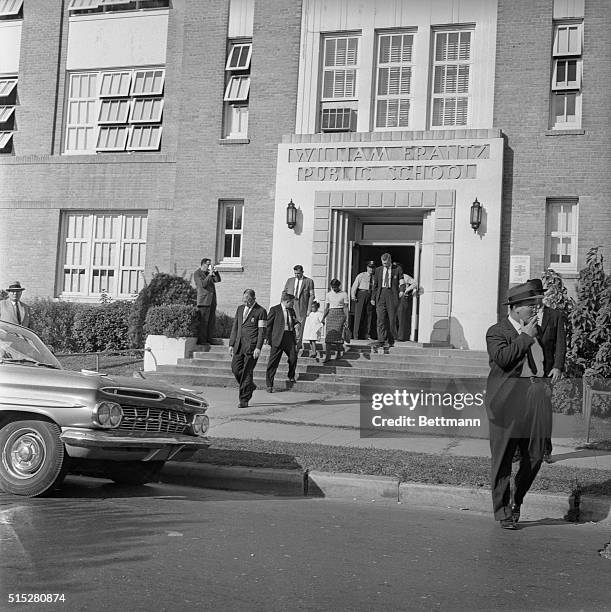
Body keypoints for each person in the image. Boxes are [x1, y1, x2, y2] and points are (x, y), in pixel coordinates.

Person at [485, 279, 548, 529]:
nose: (535, 309)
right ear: (515, 308)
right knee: (502, 459)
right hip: (507, 403)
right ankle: (503, 513)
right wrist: (525, 337)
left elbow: (540, 360)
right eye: (531, 305)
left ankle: (516, 500)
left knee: (536, 455)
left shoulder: (535, 331)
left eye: (537, 304)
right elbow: (503, 358)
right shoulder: (497, 331)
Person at [530, 278, 567, 462]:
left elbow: (561, 344)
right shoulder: (524, 315)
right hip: (527, 372)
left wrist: (558, 367)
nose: (534, 299)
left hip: (546, 372)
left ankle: (546, 450)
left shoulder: (555, 315)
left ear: (542, 296)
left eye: (536, 295)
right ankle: (521, 451)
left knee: (544, 411)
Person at [228, 289, 267, 408]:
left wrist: (258, 348)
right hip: (239, 345)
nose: (245, 303)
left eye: (247, 301)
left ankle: (244, 399)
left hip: (251, 347)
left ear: (252, 299)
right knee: (235, 369)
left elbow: (262, 331)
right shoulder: (240, 309)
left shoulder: (261, 311)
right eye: (244, 300)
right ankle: (250, 386)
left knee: (246, 372)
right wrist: (231, 344)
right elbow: (235, 326)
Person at [371, 253, 406, 349]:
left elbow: (402, 281)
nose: (384, 265)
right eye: (383, 263)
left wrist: (402, 290)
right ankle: (381, 340)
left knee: (391, 319)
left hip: (392, 295)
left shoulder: (397, 269)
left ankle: (391, 340)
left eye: (386, 263)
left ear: (390, 261)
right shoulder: (378, 270)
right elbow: (375, 286)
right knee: (380, 319)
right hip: (381, 294)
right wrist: (373, 298)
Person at [265, 292, 299, 392]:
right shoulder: (275, 309)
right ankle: (269, 385)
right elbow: (269, 324)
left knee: (293, 357)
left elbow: (294, 320)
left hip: (289, 337)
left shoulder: (291, 310)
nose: (293, 305)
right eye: (292, 303)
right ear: (287, 301)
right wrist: (267, 337)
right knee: (273, 362)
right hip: (278, 338)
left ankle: (291, 376)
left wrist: (297, 324)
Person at [283, 265, 315, 347]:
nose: (297, 275)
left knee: (300, 326)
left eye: (298, 273)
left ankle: (298, 344)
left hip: (301, 306)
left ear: (302, 272)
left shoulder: (309, 281)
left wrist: (309, 309)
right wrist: (282, 304)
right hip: (290, 305)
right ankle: (289, 343)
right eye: (295, 273)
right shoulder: (290, 281)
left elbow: (311, 296)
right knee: (289, 323)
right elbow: (284, 292)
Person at [194, 258, 221, 345]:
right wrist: (209, 275)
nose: (209, 266)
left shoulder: (208, 273)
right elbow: (203, 285)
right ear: (203, 264)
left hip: (212, 300)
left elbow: (217, 280)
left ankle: (209, 339)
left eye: (210, 264)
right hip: (203, 301)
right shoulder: (197, 273)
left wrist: (215, 272)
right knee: (203, 322)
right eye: (208, 264)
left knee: (211, 321)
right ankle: (202, 341)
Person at [322, 279, 349, 362]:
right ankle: (327, 355)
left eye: (336, 287)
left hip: (340, 314)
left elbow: (346, 307)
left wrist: (346, 319)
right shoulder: (329, 294)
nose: (334, 288)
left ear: (339, 286)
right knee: (329, 337)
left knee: (338, 336)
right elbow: (327, 307)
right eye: (333, 287)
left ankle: (338, 353)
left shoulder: (344, 294)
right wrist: (323, 318)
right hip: (331, 314)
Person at [350, 261, 376, 340]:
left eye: (373, 267)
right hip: (362, 294)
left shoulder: (375, 277)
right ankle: (356, 335)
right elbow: (355, 285)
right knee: (359, 315)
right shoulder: (361, 275)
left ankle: (367, 334)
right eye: (370, 267)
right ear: (367, 267)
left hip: (370, 295)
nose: (371, 269)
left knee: (369, 316)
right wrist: (353, 295)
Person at [396, 269, 418, 342]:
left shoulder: (405, 276)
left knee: (401, 317)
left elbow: (415, 283)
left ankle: (401, 337)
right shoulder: (392, 275)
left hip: (402, 298)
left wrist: (407, 290)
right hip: (393, 297)